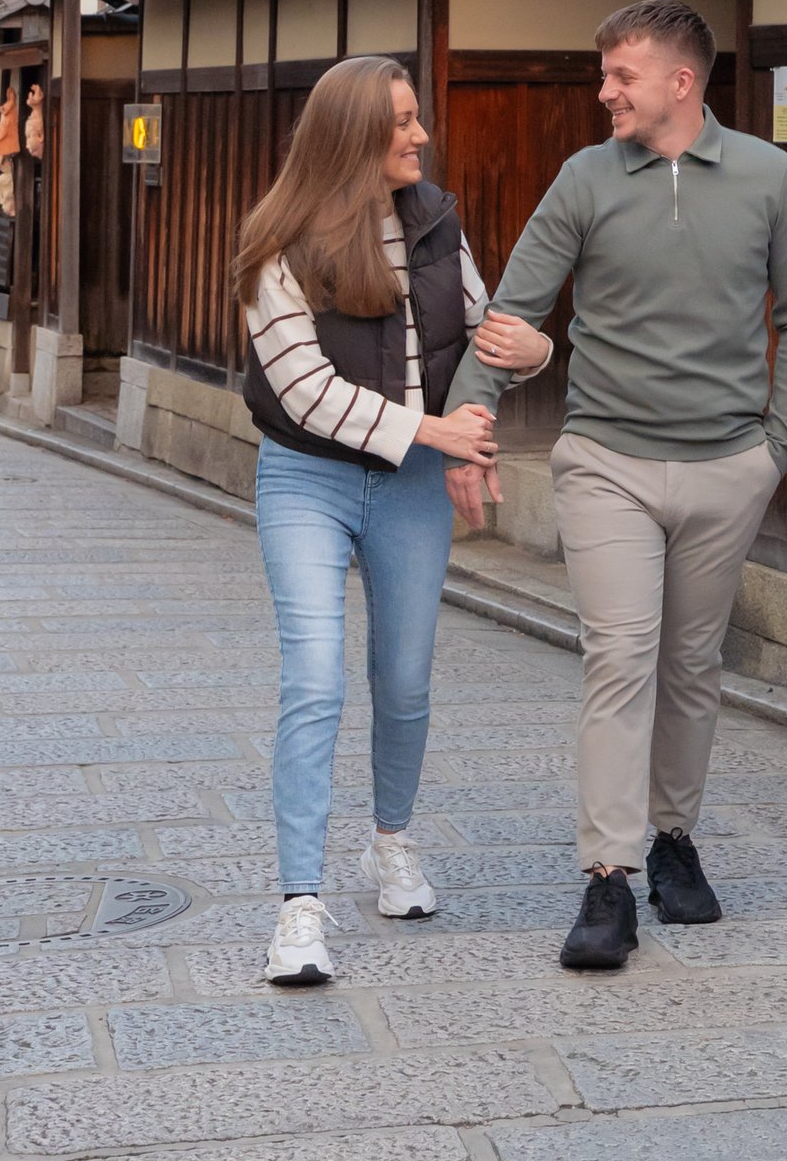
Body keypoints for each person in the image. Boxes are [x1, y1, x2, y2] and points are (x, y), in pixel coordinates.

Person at [446, 0, 787, 971]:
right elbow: (511, 313)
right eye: (604, 74)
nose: (605, 92)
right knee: (620, 654)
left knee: (692, 664)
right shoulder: (585, 178)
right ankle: (608, 876)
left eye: (622, 75)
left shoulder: (769, 177)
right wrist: (468, 429)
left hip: (728, 467)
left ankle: (673, 840)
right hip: (606, 462)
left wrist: (778, 446)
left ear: (680, 81)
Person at [235, 53, 540, 988]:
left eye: (416, 118)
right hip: (306, 479)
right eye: (402, 122)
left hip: (409, 485)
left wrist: (530, 351)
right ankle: (298, 906)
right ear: (354, 135)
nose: (421, 136)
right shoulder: (279, 243)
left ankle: (391, 843)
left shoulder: (435, 223)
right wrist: (435, 431)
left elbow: (481, 334)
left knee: (404, 679)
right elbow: (304, 390)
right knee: (315, 679)